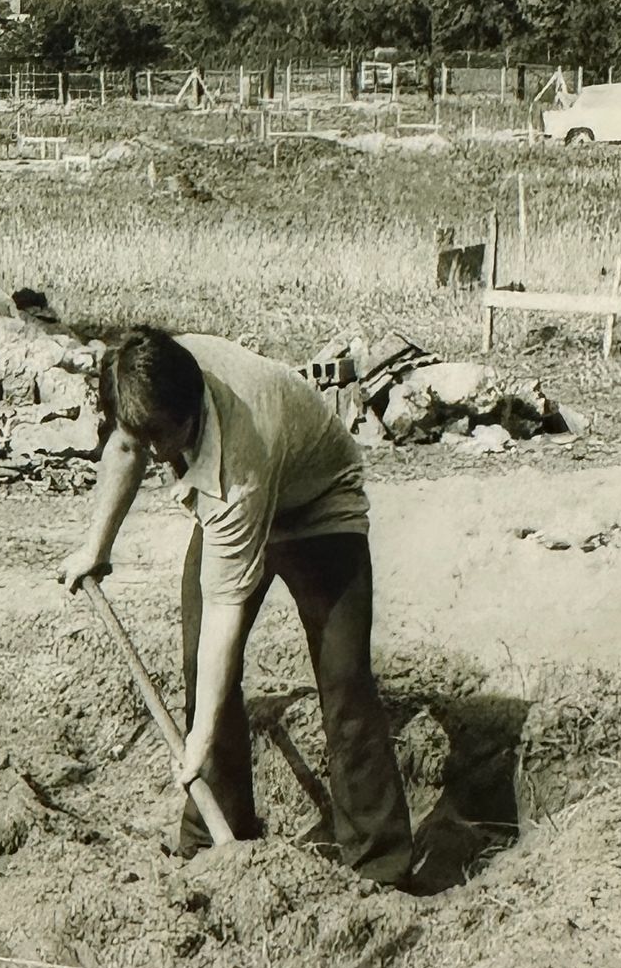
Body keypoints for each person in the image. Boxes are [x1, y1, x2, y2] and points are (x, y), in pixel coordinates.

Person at [59, 326, 415, 887]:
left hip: (319, 501)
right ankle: (216, 840)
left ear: (193, 408)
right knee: (203, 670)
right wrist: (95, 549)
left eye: (166, 442)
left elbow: (227, 609)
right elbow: (126, 445)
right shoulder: (154, 370)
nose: (157, 456)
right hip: (240, 496)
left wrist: (196, 741)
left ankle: (381, 867)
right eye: (147, 441)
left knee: (345, 680)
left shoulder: (239, 459)